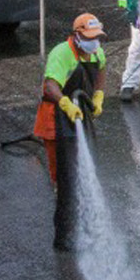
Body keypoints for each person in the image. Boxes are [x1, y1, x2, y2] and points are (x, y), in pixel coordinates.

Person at [34, 13, 107, 251]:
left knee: (81, 172)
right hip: (56, 119)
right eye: (89, 37)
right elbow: (51, 85)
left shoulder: (96, 51)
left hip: (80, 116)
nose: (94, 42)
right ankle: (64, 237)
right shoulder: (61, 54)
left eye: (97, 37)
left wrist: (98, 95)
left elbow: (101, 71)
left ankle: (84, 222)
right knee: (64, 178)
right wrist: (65, 103)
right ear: (76, 36)